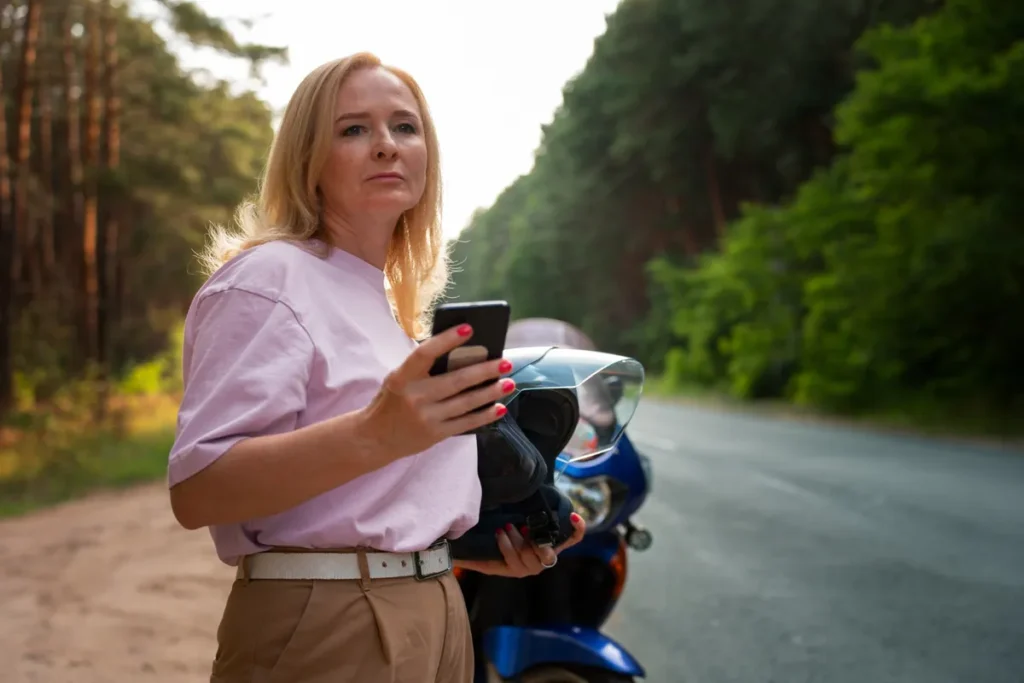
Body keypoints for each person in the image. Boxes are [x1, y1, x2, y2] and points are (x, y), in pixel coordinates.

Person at [167, 52, 586, 683]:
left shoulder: (389, 309)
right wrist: (379, 431)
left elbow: (369, 501)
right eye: (354, 128)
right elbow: (199, 489)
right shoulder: (269, 279)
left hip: (437, 608)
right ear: (308, 158)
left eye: (405, 126)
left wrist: (465, 549)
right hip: (328, 620)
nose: (387, 144)